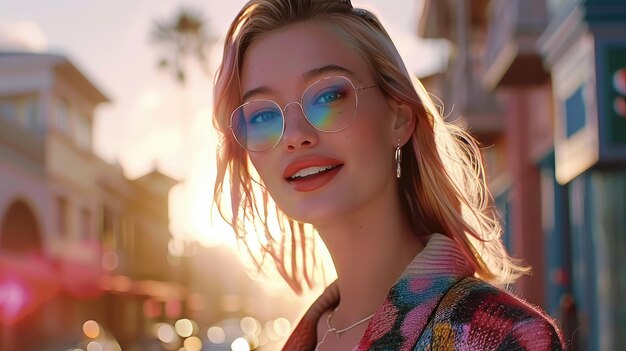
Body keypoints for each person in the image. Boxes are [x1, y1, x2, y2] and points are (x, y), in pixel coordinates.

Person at [212, 0, 565, 349]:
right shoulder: (309, 337)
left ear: (399, 118)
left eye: (328, 96)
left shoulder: (502, 337)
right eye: (261, 116)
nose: (294, 135)